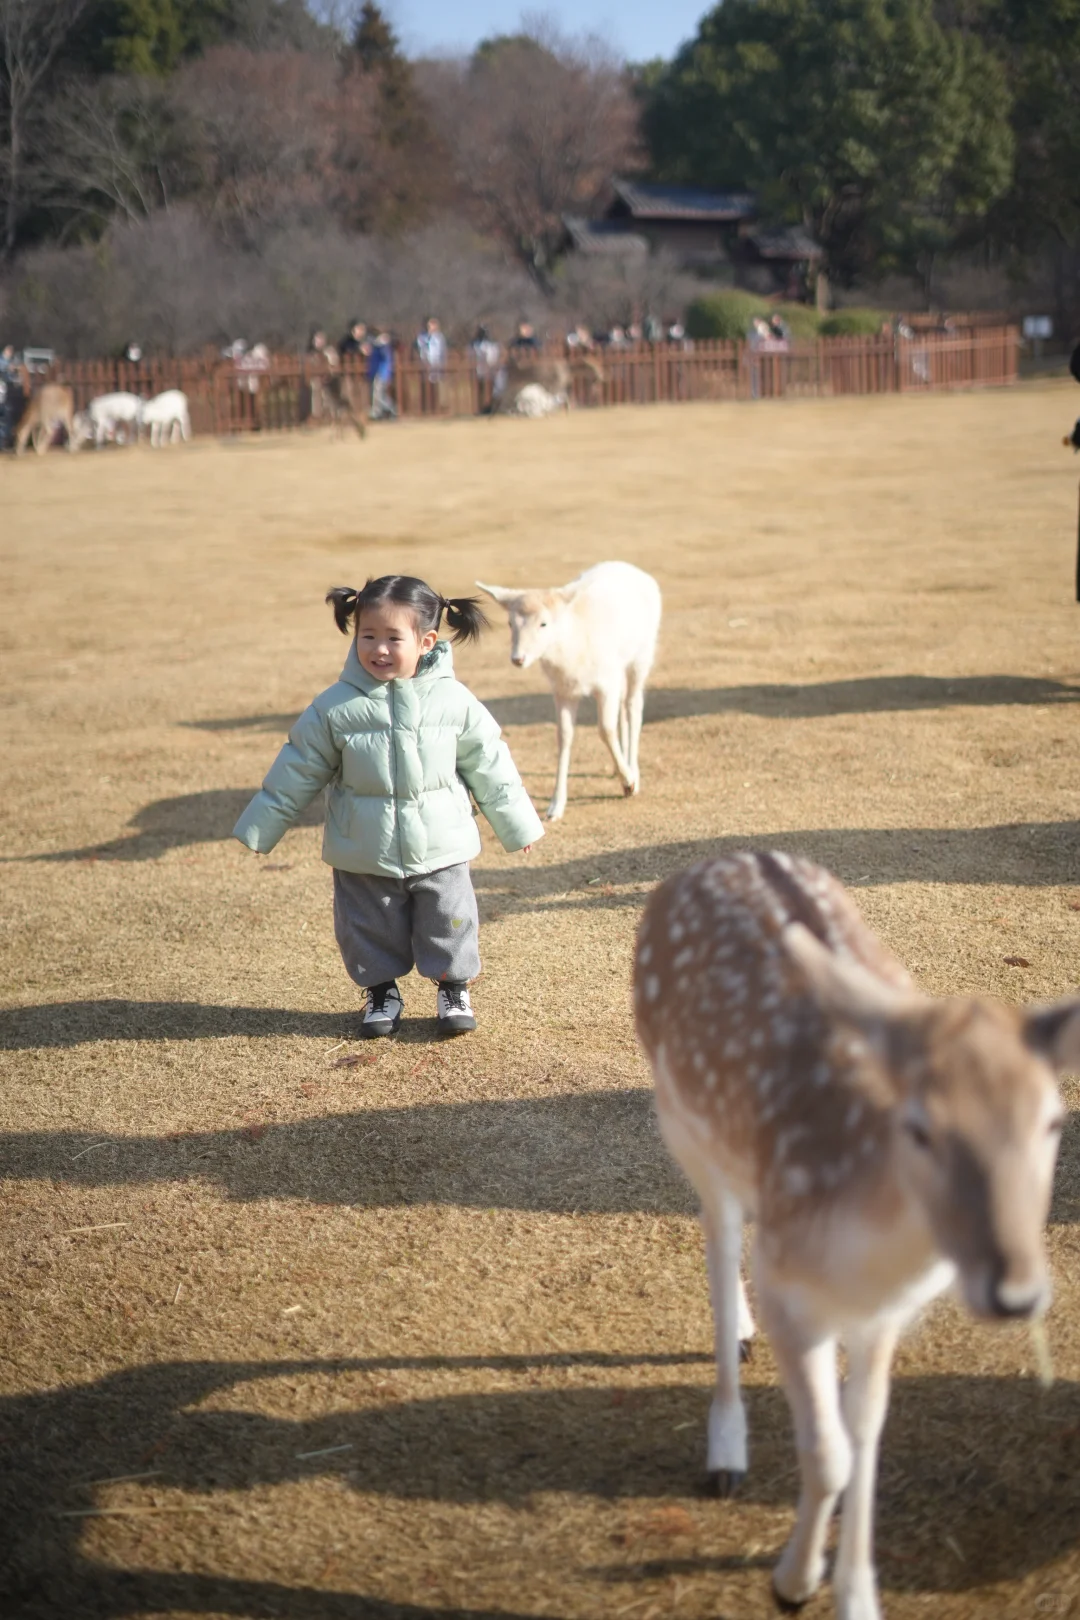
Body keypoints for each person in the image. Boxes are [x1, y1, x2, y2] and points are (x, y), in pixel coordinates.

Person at [233, 575, 543, 1039]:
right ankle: (381, 992)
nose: (378, 649)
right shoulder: (334, 707)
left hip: (441, 844)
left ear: (426, 641)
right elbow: (296, 768)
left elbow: (491, 763)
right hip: (363, 847)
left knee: (450, 919)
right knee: (366, 927)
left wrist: (517, 826)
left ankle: (453, 986)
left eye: (393, 639)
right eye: (368, 636)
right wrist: (261, 828)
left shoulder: (453, 701)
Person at [367, 328, 395, 419]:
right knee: (378, 393)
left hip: (382, 373)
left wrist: (378, 344)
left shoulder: (382, 345)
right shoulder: (377, 345)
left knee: (377, 393)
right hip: (377, 373)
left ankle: (388, 409)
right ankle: (380, 411)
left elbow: (384, 356)